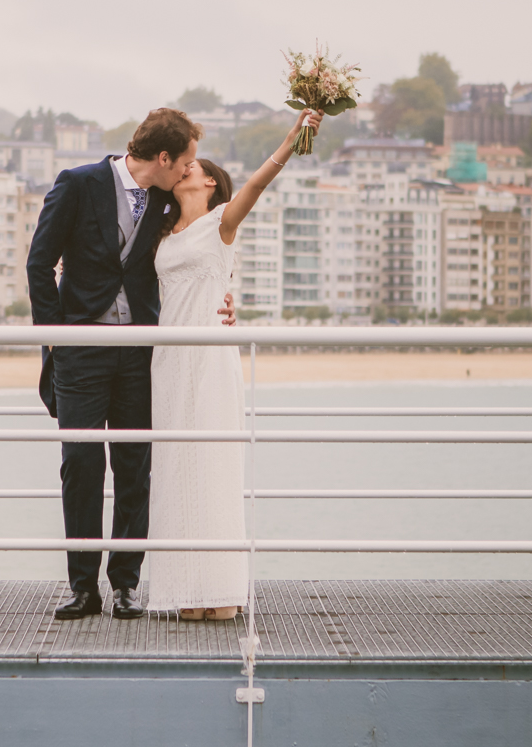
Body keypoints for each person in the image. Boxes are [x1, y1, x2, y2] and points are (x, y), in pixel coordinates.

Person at [26, 108, 232, 621]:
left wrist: (225, 299)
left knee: (135, 466)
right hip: (81, 349)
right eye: (183, 161)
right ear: (162, 158)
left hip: (144, 351)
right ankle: (81, 587)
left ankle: (125, 585)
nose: (189, 170)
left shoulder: (169, 198)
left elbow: (201, 244)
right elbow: (39, 262)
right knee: (81, 464)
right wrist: (56, 341)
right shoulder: (77, 183)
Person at [143, 108, 323, 619]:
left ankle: (221, 592)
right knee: (177, 470)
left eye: (195, 167)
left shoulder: (222, 224)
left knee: (214, 468)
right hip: (170, 360)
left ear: (209, 184)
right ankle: (184, 592)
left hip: (211, 359)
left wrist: (295, 137)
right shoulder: (160, 235)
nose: (186, 169)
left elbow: (261, 182)